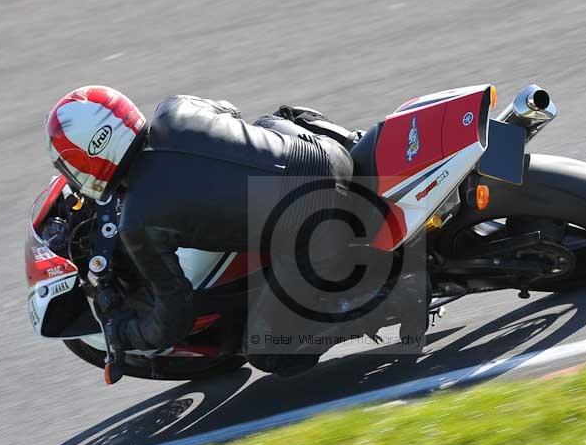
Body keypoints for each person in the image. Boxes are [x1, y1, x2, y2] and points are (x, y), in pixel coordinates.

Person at [45, 85, 360, 376]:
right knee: (268, 123)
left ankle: (360, 311)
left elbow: (176, 313)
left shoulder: (139, 221)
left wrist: (125, 333)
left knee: (266, 351)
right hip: (332, 156)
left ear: (84, 161)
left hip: (317, 232)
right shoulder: (176, 108)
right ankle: (356, 141)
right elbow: (231, 113)